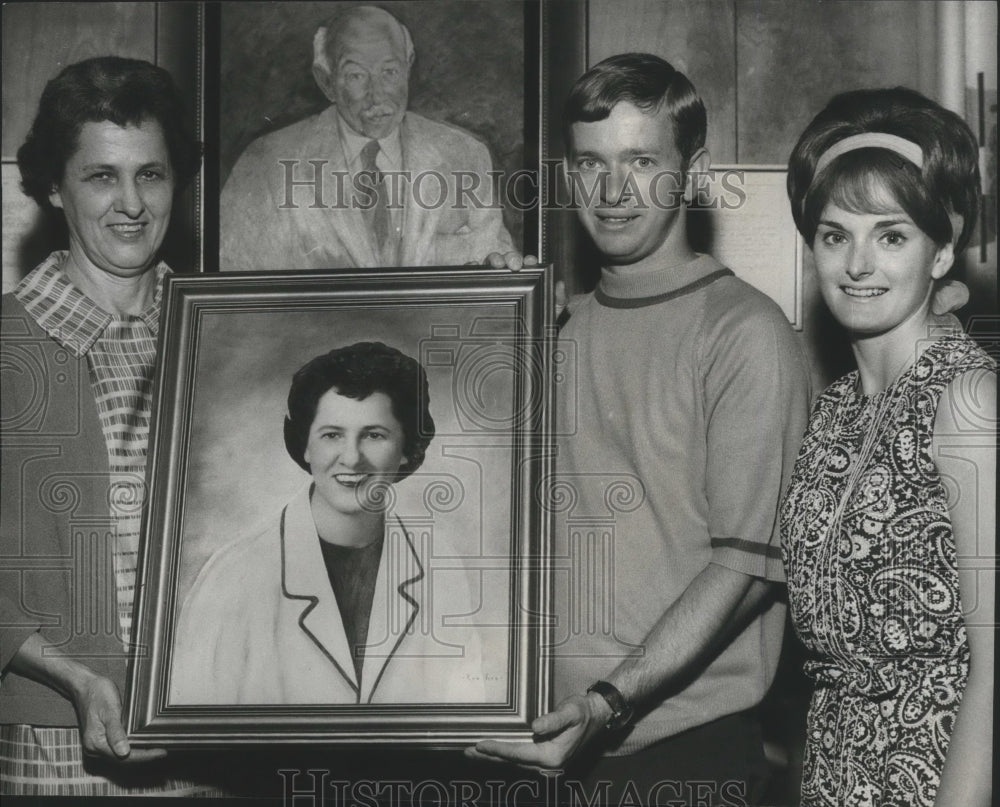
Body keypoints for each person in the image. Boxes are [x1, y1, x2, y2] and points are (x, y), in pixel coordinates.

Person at [470, 53, 812, 804]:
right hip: (536, 746)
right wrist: (486, 316)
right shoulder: (548, 328)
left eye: (641, 160)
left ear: (693, 170)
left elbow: (746, 571)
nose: (613, 190)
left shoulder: (745, 332)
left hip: (679, 756)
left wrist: (606, 702)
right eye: (590, 164)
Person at [780, 87, 995, 807]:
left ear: (941, 248)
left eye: (892, 235)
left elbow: (996, 664)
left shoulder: (967, 403)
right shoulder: (836, 408)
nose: (858, 263)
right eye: (836, 234)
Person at [0, 57, 209, 795]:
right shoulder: (8, 345)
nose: (131, 203)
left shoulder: (225, 332)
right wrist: (76, 677)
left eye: (151, 174)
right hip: (60, 744)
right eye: (101, 176)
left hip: (214, 741)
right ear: (55, 187)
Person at [169, 342, 486, 705]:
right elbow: (191, 734)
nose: (351, 458)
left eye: (374, 435)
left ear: (406, 449)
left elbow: (468, 712)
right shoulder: (231, 577)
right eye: (332, 434)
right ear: (305, 445)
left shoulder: (438, 568)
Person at [219, 5, 518, 271]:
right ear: (326, 81)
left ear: (409, 64)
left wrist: (510, 269)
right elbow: (229, 302)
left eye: (389, 72)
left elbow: (496, 269)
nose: (377, 96)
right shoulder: (264, 166)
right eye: (357, 76)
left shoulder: (464, 155)